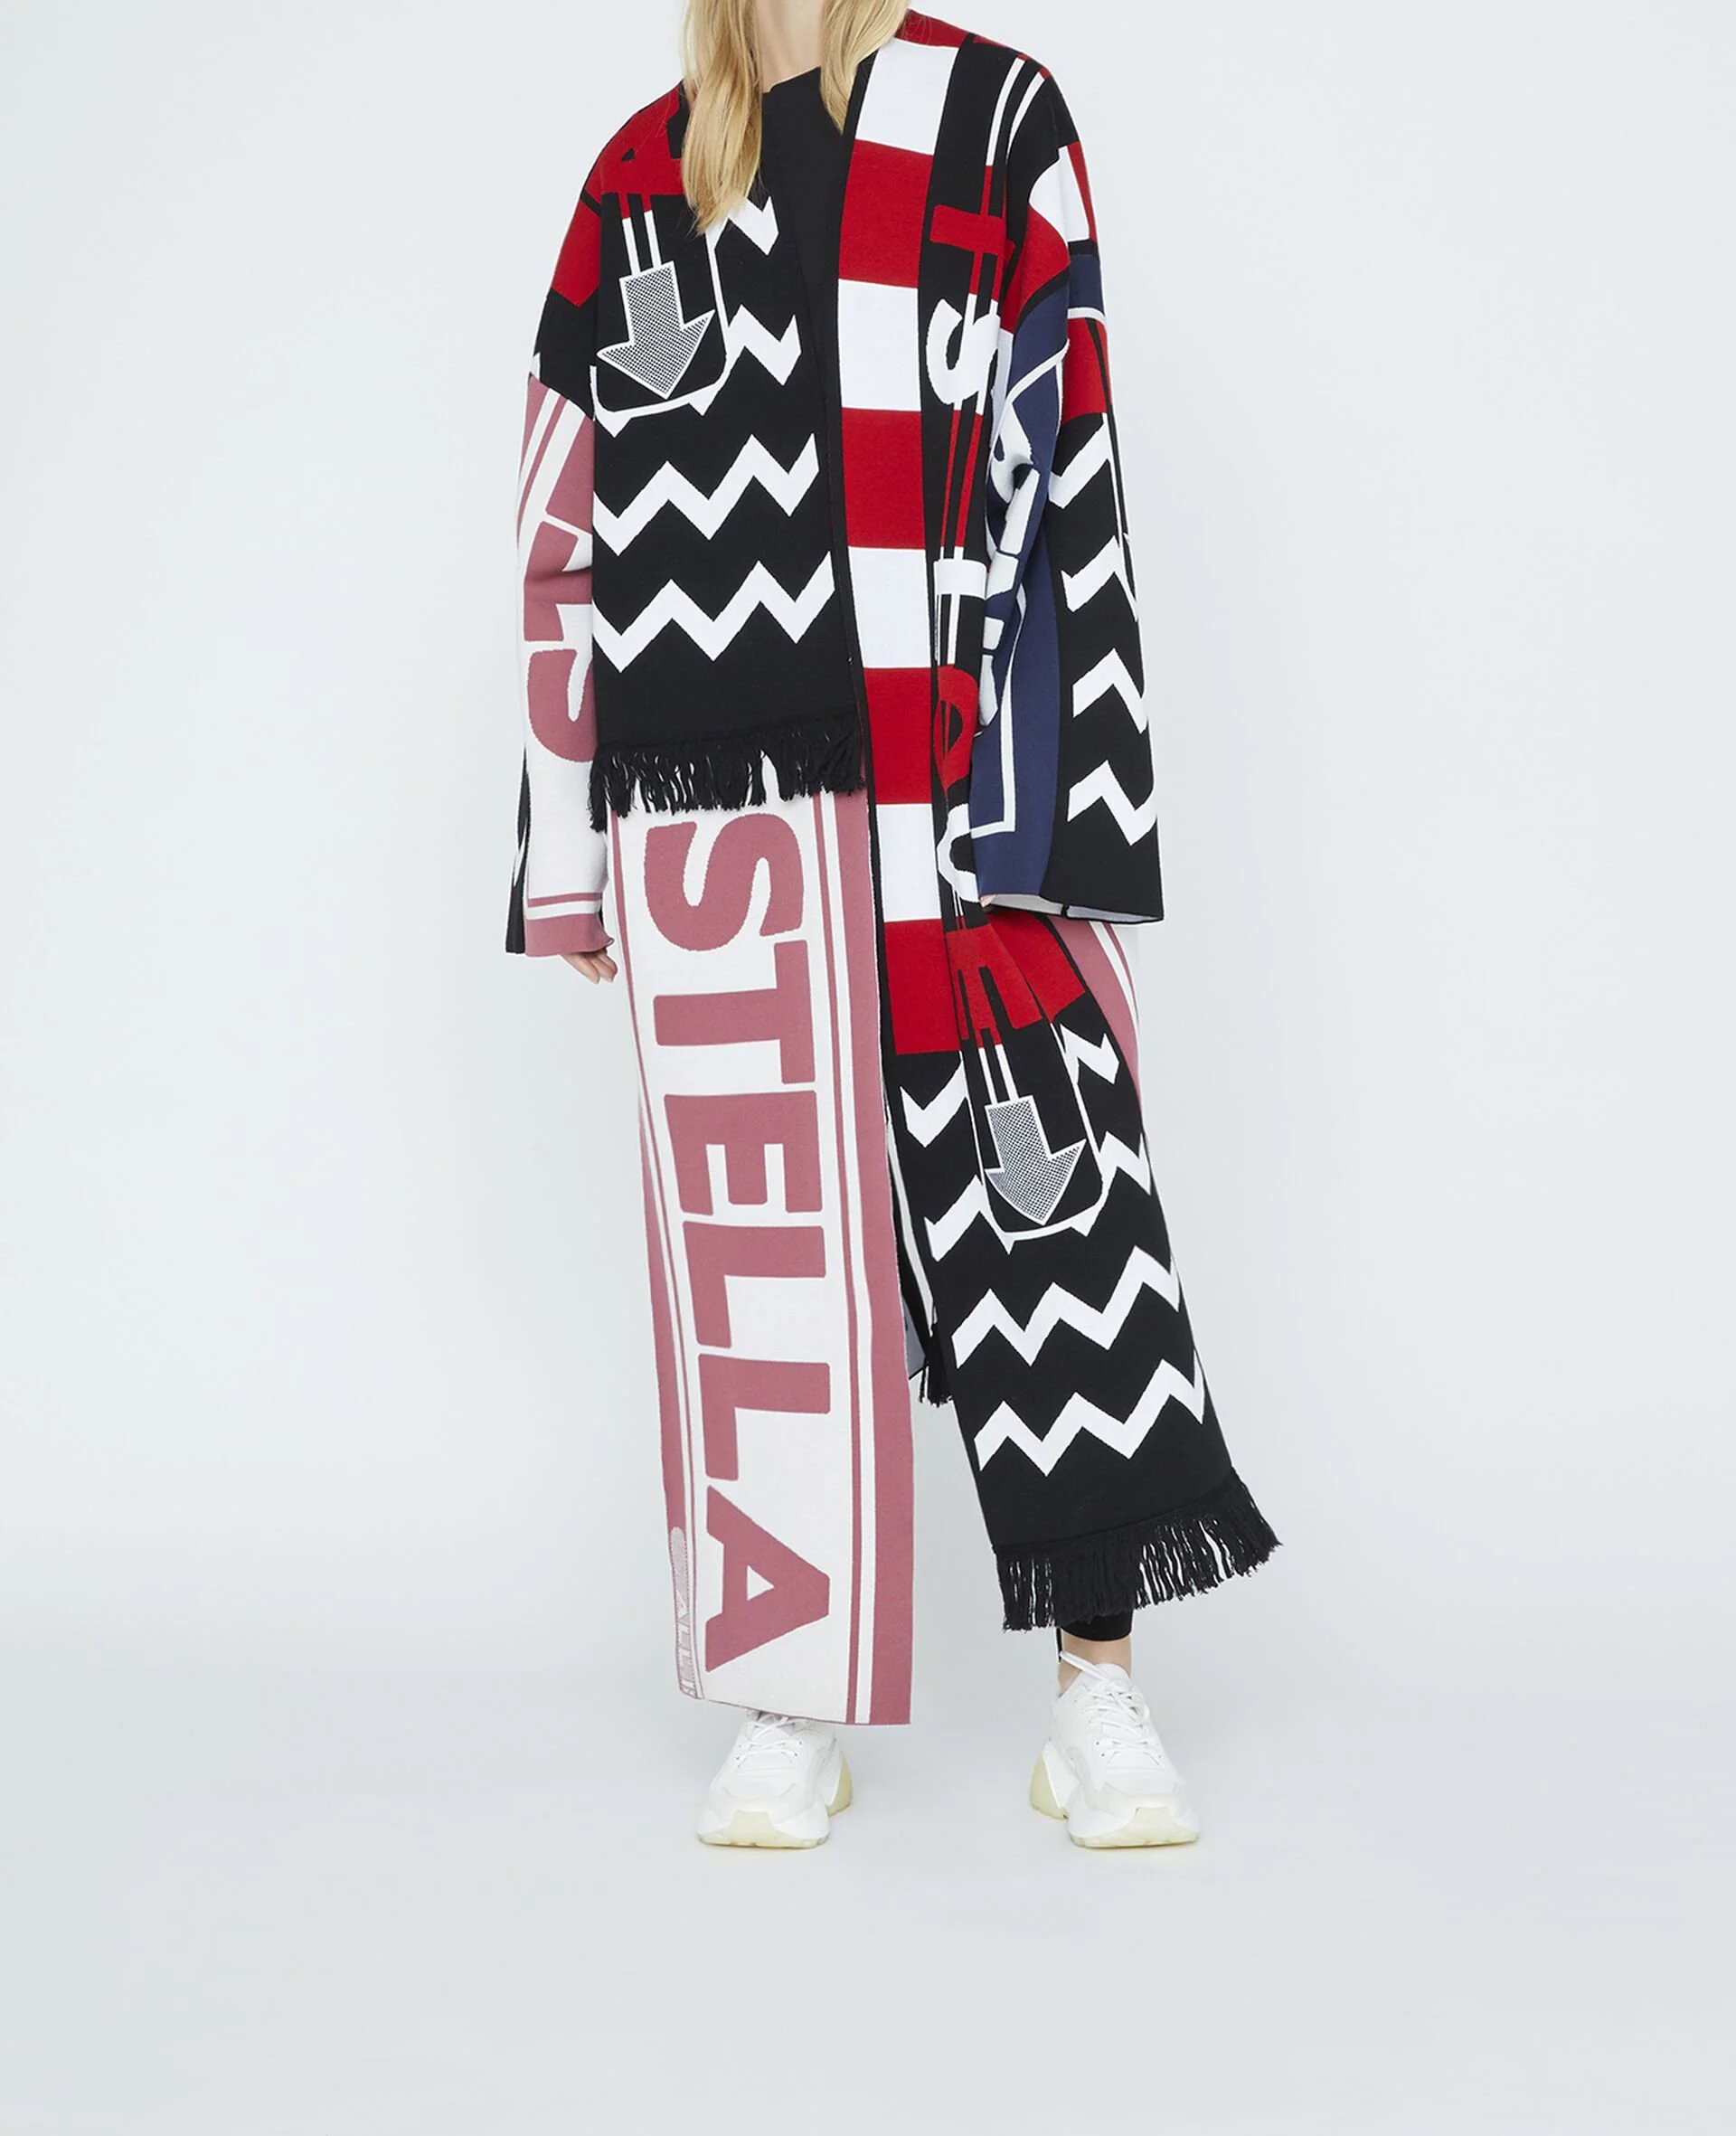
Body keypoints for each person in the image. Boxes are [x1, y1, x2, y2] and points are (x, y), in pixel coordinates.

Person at [505, 0, 1278, 1849]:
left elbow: (1066, 451)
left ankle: (1097, 1686)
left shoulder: (991, 118)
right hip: (726, 830)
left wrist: (1056, 809)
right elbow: (560, 533)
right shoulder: (637, 182)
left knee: (1058, 1212)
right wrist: (571, 850)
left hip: (961, 796)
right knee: (765, 1252)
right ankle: (792, 1695)